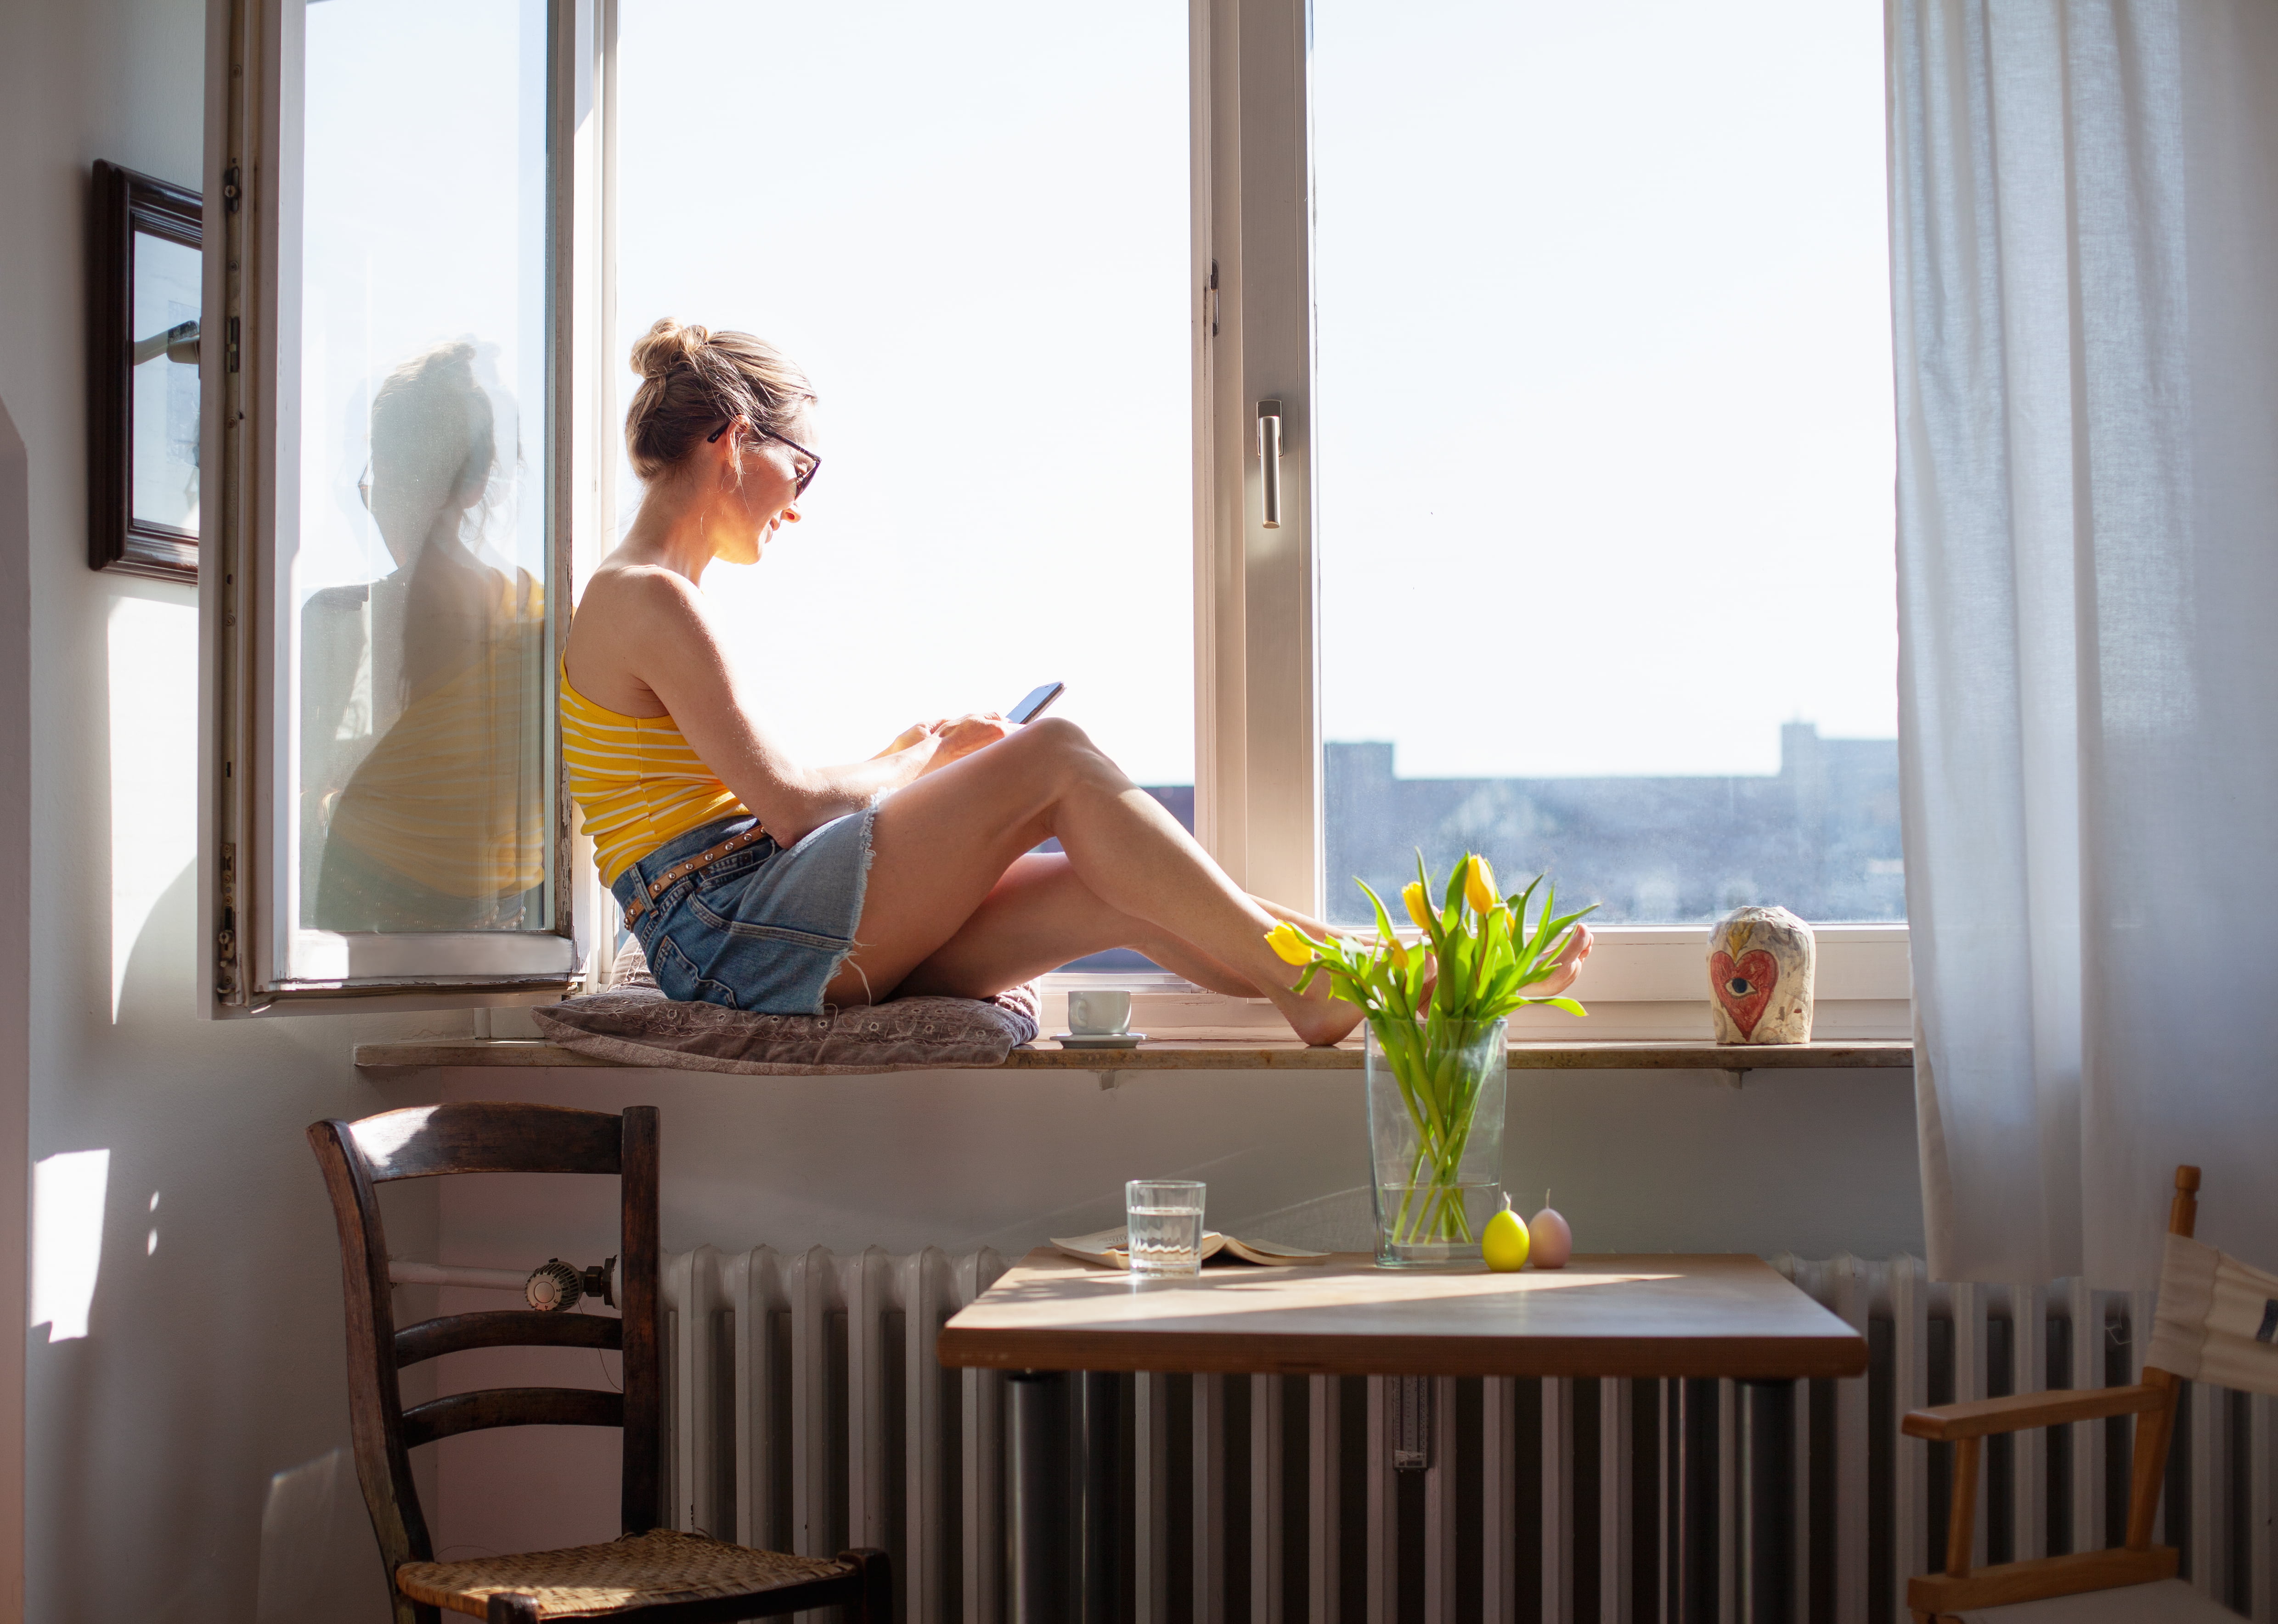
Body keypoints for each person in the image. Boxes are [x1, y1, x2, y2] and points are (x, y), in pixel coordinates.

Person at [561, 320, 1590, 1043]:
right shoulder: (647, 595)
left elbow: (774, 800)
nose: (800, 501)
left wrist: (918, 756)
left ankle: (1393, 975)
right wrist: (923, 752)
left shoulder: (653, 598)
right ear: (734, 439)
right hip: (725, 934)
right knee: (1053, 753)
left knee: (1114, 887)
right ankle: (1338, 981)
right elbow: (787, 806)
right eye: (805, 468)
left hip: (744, 922)